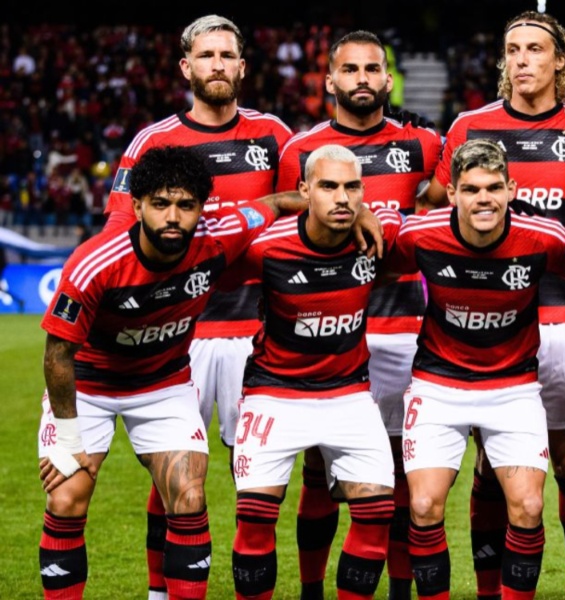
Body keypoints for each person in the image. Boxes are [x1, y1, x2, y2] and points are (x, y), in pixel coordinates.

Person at [36, 146, 301, 600]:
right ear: (137, 206)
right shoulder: (95, 263)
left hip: (162, 386)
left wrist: (354, 214)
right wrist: (68, 437)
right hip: (89, 388)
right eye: (160, 204)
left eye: (186, 205)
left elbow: (274, 204)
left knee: (190, 498)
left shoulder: (220, 238)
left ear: (202, 207)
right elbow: (58, 352)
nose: (173, 216)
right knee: (64, 500)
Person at [427, 11, 565, 596]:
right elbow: (435, 208)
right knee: (490, 471)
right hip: (481, 325)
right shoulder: (468, 126)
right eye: (512, 49)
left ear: (559, 61)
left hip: (560, 318)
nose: (521, 60)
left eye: (535, 49)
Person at [99, 16, 293, 597]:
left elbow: (300, 212)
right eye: (205, 55)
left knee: (255, 480)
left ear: (241, 67)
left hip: (256, 325)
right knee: (172, 479)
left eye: (226, 55)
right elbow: (116, 234)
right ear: (186, 67)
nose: (216, 64)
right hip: (177, 335)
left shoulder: (276, 137)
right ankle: (164, 593)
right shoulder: (153, 141)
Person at [275, 30, 443, 600]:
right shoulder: (301, 148)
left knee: (394, 475)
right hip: (325, 332)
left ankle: (398, 591)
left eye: (374, 69)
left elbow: (456, 195)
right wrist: (362, 205)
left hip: (402, 327)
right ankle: (311, 590)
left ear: (388, 80)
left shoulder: (423, 142)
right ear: (330, 81)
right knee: (318, 481)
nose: (363, 79)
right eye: (351, 70)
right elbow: (282, 212)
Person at [388, 139, 565, 600]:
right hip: (437, 385)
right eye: (471, 189)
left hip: (513, 388)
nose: (484, 198)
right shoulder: (420, 235)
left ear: (512, 189)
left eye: (494, 187)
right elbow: (370, 266)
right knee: (425, 503)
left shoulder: (544, 239)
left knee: (530, 506)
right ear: (451, 194)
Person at [228, 144, 402, 600]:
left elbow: (421, 218)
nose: (342, 198)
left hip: (348, 394)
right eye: (328, 186)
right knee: (255, 517)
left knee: (378, 510)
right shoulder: (264, 250)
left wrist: (372, 216)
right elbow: (227, 231)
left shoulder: (377, 240)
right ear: (305, 190)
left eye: (352, 187)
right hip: (273, 394)